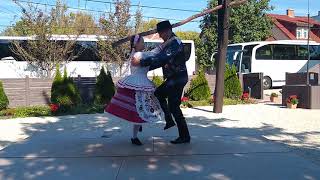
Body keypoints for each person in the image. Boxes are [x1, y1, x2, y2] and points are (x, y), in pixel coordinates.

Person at [132, 20, 191, 144]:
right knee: (172, 105)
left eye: (160, 33)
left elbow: (162, 58)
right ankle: (181, 132)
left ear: (167, 31)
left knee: (161, 96)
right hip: (175, 78)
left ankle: (173, 123)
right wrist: (143, 67)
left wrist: (142, 63)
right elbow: (158, 57)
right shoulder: (169, 42)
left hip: (177, 78)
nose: (159, 36)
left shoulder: (175, 43)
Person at [105, 34, 164, 146]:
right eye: (142, 41)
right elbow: (154, 52)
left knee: (137, 110)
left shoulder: (137, 53)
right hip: (138, 83)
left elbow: (154, 53)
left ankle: (135, 134)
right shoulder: (138, 54)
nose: (144, 43)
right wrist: (167, 43)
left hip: (139, 83)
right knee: (139, 111)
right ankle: (135, 135)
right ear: (136, 44)